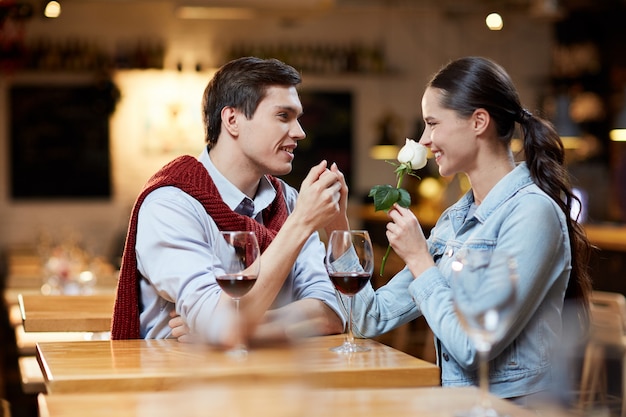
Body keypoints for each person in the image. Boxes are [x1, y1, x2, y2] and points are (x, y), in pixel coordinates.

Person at [346, 56, 592, 402]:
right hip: (463, 406)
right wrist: (336, 227)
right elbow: (368, 318)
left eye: (432, 124)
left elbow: (473, 345)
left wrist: (419, 259)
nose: (424, 141)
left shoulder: (533, 214)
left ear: (479, 122)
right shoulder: (454, 220)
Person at [111, 56, 349, 346]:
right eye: (283, 116)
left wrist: (244, 328)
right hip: (180, 384)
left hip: (272, 381)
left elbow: (332, 314)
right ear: (232, 120)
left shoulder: (290, 200)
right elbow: (222, 325)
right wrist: (300, 223)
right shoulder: (170, 206)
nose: (300, 132)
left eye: (298, 117)